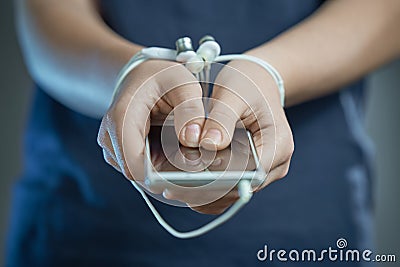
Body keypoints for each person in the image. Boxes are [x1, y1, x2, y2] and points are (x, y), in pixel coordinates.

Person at [7, 0, 400, 266]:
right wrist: (128, 74)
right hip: (80, 233)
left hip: (307, 236)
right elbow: (47, 14)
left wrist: (272, 75)